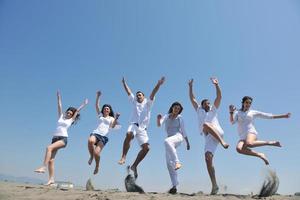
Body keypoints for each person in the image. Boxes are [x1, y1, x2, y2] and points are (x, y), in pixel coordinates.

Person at [34, 91, 88, 185]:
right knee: (51, 160)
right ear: (66, 112)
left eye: (71, 113)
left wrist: (83, 104)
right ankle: (51, 179)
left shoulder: (71, 120)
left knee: (48, 148)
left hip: (63, 139)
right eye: (68, 112)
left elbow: (77, 111)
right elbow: (59, 106)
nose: (69, 114)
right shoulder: (60, 117)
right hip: (54, 139)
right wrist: (58, 97)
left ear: (72, 115)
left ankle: (43, 167)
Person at [118, 76, 165, 178]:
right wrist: (124, 83)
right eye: (137, 95)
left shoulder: (148, 103)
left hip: (143, 129)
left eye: (140, 95)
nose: (138, 96)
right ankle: (123, 156)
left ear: (144, 96)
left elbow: (153, 93)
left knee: (146, 148)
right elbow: (129, 92)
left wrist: (158, 84)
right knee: (129, 134)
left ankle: (134, 166)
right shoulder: (134, 101)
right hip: (133, 125)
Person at [188, 77, 229, 195]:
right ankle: (215, 185)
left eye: (209, 103)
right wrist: (190, 87)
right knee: (207, 158)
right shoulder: (199, 110)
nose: (208, 104)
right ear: (202, 105)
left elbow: (219, 97)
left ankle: (222, 142)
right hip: (208, 137)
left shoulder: (213, 110)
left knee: (205, 124)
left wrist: (216, 84)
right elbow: (192, 99)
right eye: (206, 103)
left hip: (217, 132)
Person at [229, 96, 291, 165]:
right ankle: (260, 155)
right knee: (239, 149)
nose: (248, 104)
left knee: (249, 143)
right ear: (243, 103)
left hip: (251, 132)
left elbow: (268, 116)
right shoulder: (238, 113)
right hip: (242, 136)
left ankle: (270, 143)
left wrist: (283, 116)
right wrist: (231, 113)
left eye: (250, 103)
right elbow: (232, 122)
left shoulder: (253, 112)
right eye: (247, 102)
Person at [157, 102, 190, 194]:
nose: (177, 109)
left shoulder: (180, 118)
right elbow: (159, 124)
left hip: (178, 137)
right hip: (170, 139)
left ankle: (177, 162)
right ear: (172, 108)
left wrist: (187, 142)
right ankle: (174, 185)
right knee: (168, 163)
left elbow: (184, 131)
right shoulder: (167, 116)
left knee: (166, 142)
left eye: (178, 109)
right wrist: (158, 119)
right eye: (175, 108)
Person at [88, 91, 121, 175]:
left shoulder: (111, 118)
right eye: (105, 108)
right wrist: (98, 96)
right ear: (103, 110)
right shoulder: (100, 116)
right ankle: (91, 156)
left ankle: (97, 166)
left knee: (97, 153)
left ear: (110, 111)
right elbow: (96, 106)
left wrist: (116, 118)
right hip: (96, 133)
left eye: (108, 108)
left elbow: (113, 126)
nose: (106, 109)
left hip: (104, 137)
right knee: (91, 141)